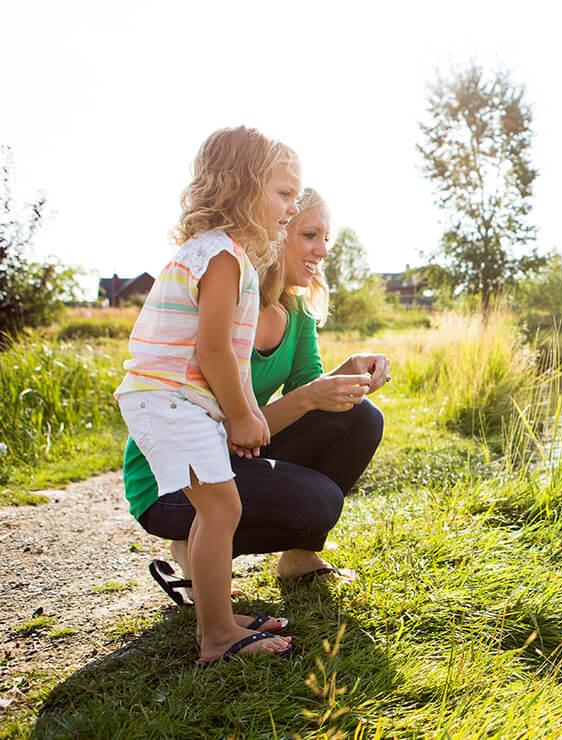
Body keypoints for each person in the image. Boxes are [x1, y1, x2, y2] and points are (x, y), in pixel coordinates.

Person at [122, 188, 388, 607]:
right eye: (309, 235)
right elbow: (229, 426)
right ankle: (189, 544)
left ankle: (300, 557)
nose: (322, 250)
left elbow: (307, 399)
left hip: (231, 451)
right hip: (176, 478)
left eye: (326, 239)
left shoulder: (296, 313)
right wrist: (310, 398)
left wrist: (348, 372)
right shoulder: (228, 296)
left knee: (361, 417)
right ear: (277, 232)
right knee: (317, 502)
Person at [115, 126, 298, 662]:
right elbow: (213, 350)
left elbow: (229, 356)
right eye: (283, 193)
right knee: (221, 508)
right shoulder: (220, 256)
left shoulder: (227, 255)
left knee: (216, 509)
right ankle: (217, 636)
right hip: (168, 397)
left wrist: (239, 413)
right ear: (243, 187)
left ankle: (218, 618)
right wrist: (240, 415)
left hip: (177, 398)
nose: (292, 206)